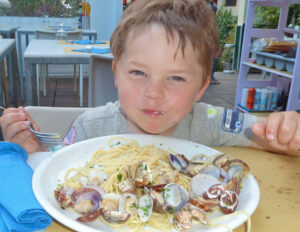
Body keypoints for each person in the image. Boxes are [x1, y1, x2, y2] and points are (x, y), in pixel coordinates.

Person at [0, 0, 299, 157]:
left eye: (177, 78)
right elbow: (58, 164)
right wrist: (33, 150)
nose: (154, 93)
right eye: (139, 73)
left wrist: (286, 137)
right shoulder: (90, 127)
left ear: (202, 86)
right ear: (116, 73)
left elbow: (265, 139)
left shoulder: (209, 121)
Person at [206, 0, 222, 85]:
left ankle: (210, 76)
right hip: (204, 28)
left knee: (217, 51)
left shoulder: (211, 2)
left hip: (212, 27)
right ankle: (208, 77)